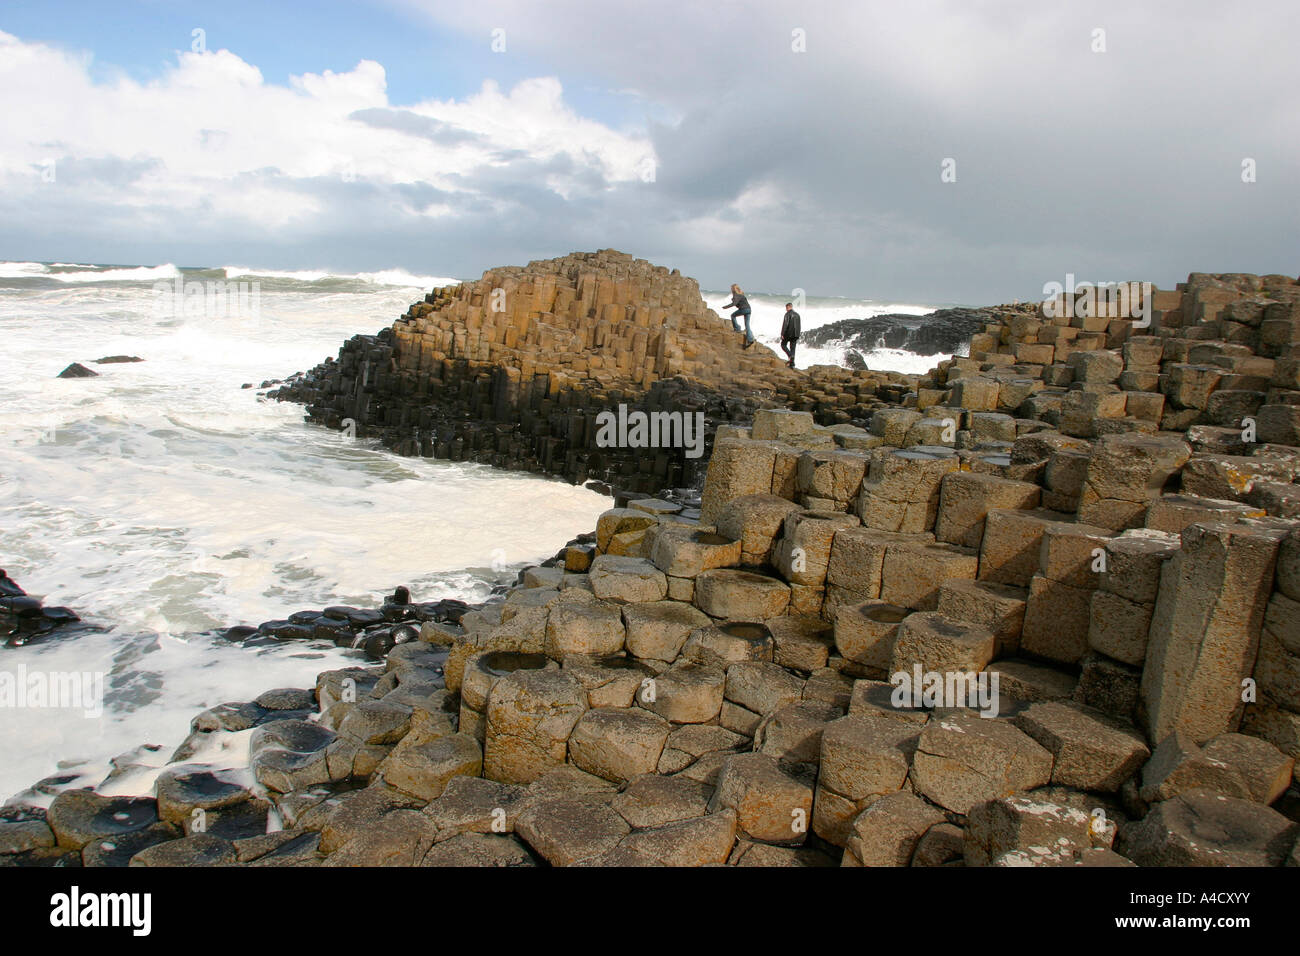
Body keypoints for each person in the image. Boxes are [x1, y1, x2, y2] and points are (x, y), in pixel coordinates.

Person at [722, 284, 754, 349]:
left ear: (733, 289)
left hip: (744, 309)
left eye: (731, 288)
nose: (730, 289)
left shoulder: (736, 295)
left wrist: (725, 307)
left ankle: (737, 329)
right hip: (749, 310)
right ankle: (750, 340)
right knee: (747, 325)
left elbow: (734, 304)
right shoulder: (741, 294)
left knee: (733, 315)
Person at [780, 301, 801, 368]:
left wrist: (782, 333)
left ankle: (790, 356)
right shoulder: (797, 315)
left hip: (788, 334)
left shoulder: (787, 314)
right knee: (793, 348)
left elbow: (785, 324)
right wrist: (798, 334)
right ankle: (792, 364)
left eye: (786, 308)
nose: (786, 309)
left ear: (788, 307)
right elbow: (799, 325)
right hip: (796, 334)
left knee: (783, 345)